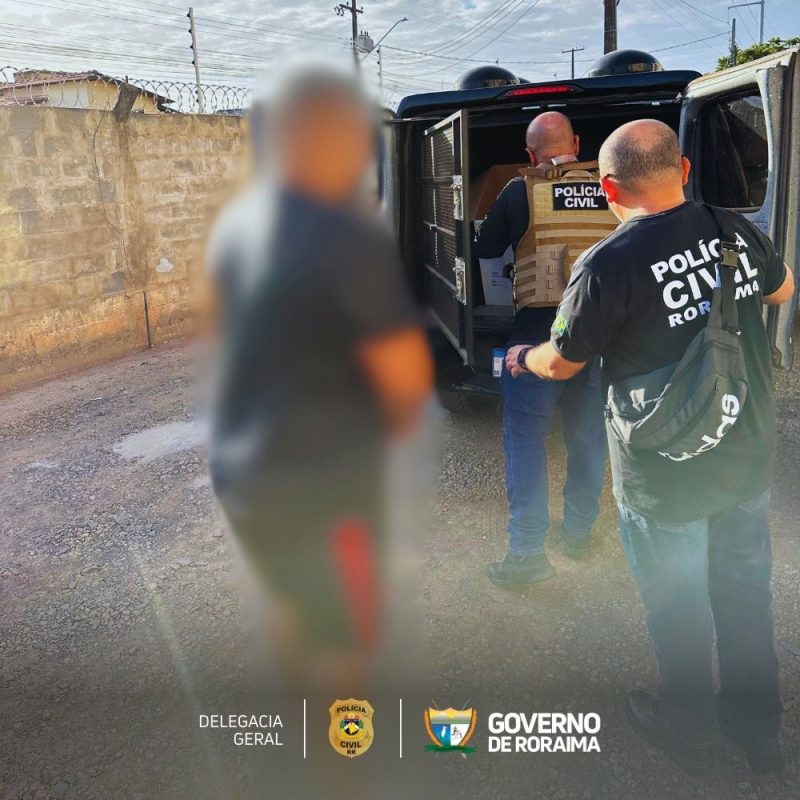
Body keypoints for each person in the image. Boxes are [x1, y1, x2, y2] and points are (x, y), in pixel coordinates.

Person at [505, 119, 794, 775]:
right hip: (744, 456)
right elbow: (782, 288)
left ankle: (690, 730)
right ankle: (759, 734)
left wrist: (524, 356)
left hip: (665, 478)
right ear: (683, 170)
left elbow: (564, 362)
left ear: (608, 188)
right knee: (745, 598)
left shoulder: (606, 265)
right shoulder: (733, 229)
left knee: (678, 606)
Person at [207, 67, 434, 699]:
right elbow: (405, 382)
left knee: (291, 599)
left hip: (243, 467)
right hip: (325, 479)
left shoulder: (239, 225)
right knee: (341, 632)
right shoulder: (348, 238)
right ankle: (339, 745)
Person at [476, 111, 608, 588]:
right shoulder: (613, 188)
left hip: (537, 336)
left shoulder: (521, 190)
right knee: (589, 438)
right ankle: (578, 536)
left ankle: (527, 554)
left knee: (526, 441)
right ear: (577, 143)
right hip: (602, 337)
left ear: (530, 154)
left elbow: (486, 247)